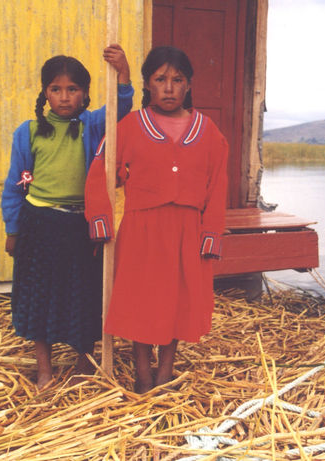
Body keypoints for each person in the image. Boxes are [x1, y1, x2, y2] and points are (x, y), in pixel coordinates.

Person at [84, 46, 228, 393]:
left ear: (189, 85)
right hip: (142, 232)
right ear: (147, 84)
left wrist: (211, 235)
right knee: (141, 301)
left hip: (187, 233)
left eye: (177, 80)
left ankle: (165, 374)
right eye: (160, 79)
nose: (168, 87)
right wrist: (100, 221)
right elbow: (101, 172)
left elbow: (218, 185)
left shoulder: (208, 132)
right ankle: (142, 376)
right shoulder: (130, 127)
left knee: (178, 302)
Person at [1, 44, 133, 389]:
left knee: (83, 293)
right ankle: (44, 368)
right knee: (37, 295)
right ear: (45, 93)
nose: (64, 97)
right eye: (56, 89)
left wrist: (124, 74)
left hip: (79, 225)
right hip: (39, 225)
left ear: (85, 94)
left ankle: (83, 361)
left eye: (72, 89)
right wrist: (13, 228)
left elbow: (119, 110)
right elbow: (18, 182)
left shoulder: (89, 126)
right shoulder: (29, 132)